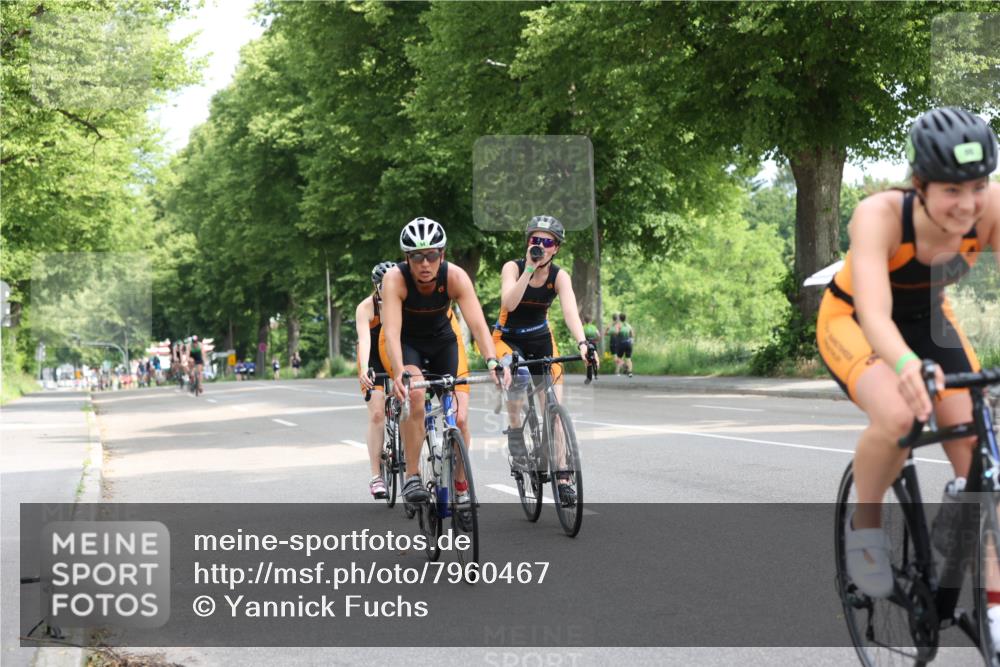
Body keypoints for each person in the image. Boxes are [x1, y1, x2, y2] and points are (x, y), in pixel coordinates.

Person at [815, 108, 999, 618]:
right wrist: (905, 367)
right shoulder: (878, 214)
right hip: (854, 320)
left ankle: (993, 605)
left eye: (977, 186)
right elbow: (874, 312)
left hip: (930, 320)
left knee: (980, 460)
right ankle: (865, 526)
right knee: (900, 415)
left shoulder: (992, 208)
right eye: (951, 190)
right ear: (920, 184)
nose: (967, 204)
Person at [380, 217, 509, 506]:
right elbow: (390, 332)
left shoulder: (455, 277)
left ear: (442, 255)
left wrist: (492, 361)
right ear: (407, 258)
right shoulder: (395, 280)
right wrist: (400, 371)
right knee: (414, 393)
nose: (424, 264)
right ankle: (412, 477)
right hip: (408, 344)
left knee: (460, 417)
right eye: (416, 257)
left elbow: (477, 325)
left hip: (443, 343)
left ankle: (461, 486)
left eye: (431, 255)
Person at [494, 215, 598, 506]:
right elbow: (509, 304)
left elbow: (569, 314)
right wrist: (529, 268)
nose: (540, 246)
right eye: (534, 240)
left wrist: (582, 342)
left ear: (556, 249)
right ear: (528, 243)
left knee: (553, 407)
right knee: (518, 382)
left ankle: (563, 477)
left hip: (540, 338)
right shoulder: (513, 268)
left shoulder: (559, 276)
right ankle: (516, 433)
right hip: (507, 338)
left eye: (547, 242)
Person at [356, 261, 396, 500]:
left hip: (395, 356)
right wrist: (364, 369)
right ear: (376, 286)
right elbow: (364, 341)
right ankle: (376, 475)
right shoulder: (366, 308)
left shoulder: (403, 302)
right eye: (383, 285)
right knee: (378, 413)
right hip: (372, 359)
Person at [617, 313, 635, 378]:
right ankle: (630, 372)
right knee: (628, 358)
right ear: (625, 318)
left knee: (619, 358)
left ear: (619, 318)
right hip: (628, 343)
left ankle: (624, 366)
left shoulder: (619, 325)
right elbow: (632, 334)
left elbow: (616, 333)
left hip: (621, 343)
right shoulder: (629, 325)